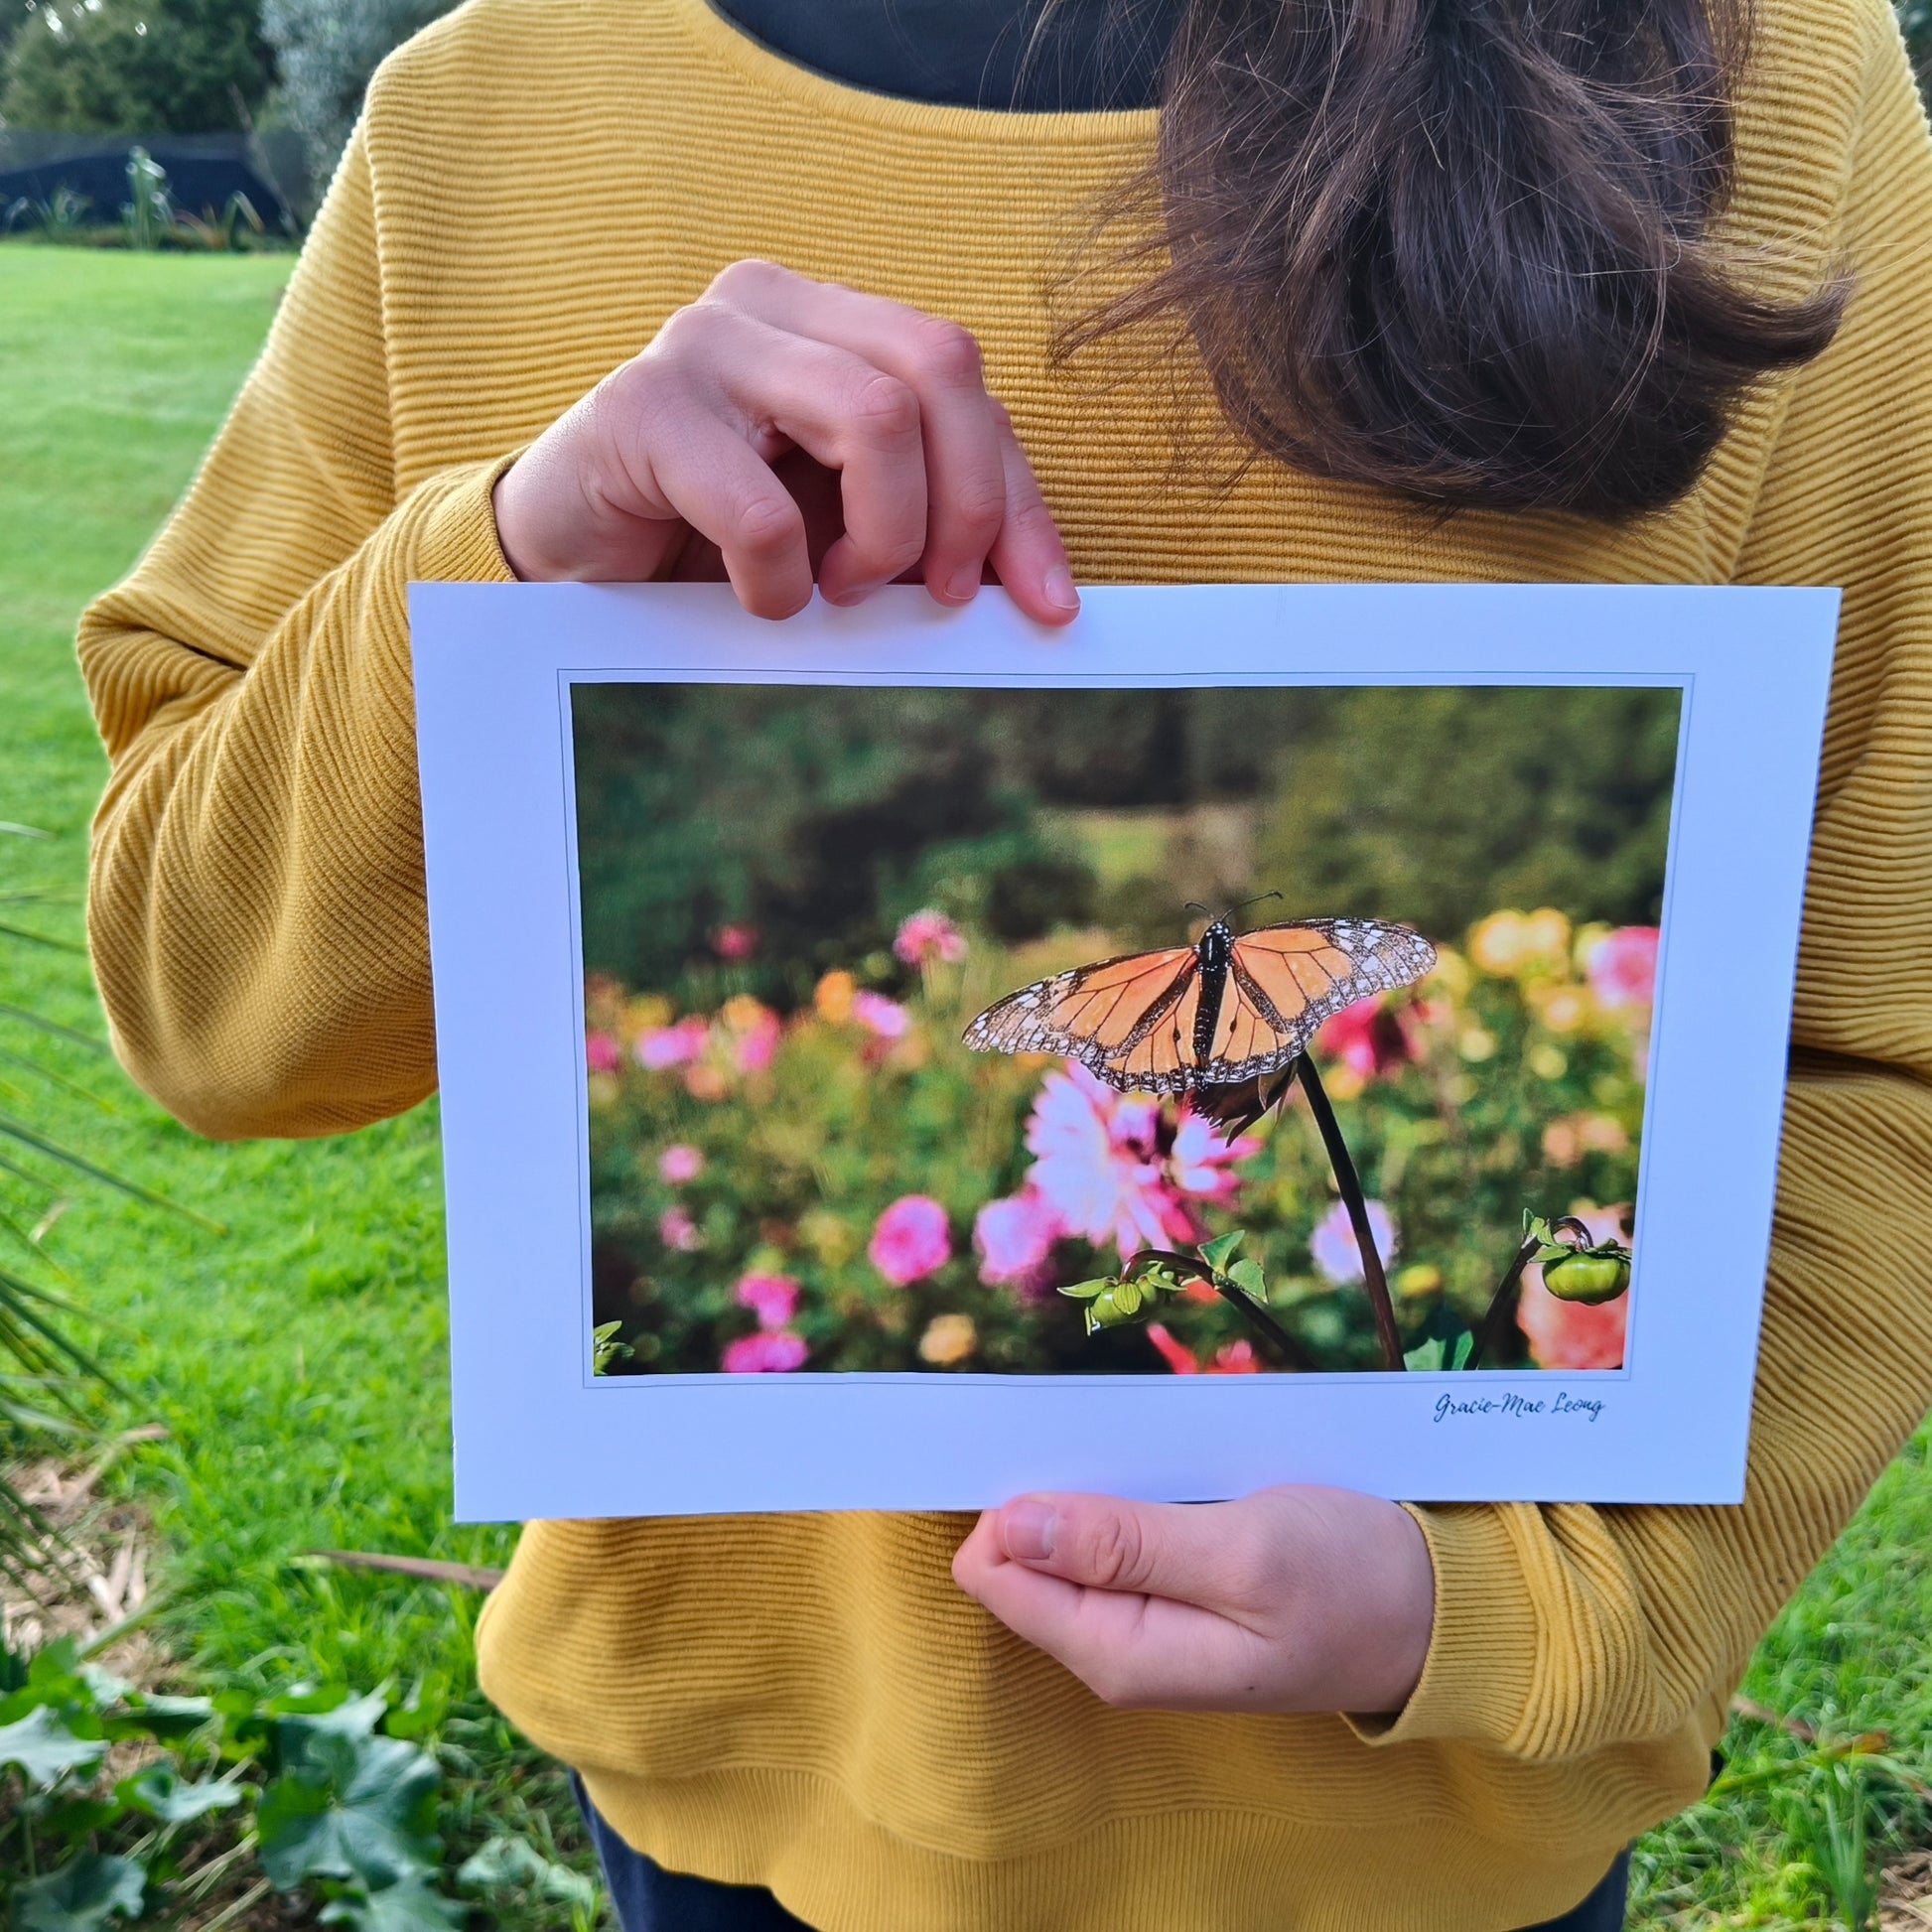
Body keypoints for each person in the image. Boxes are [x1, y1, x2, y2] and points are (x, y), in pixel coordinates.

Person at [74, 0, 1932, 1926]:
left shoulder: (1762, 79)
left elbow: (1889, 1040)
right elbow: (196, 1003)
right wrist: (500, 575)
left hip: (1433, 1843)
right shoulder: (485, 115)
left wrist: (1515, 1598)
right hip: (737, 1826)